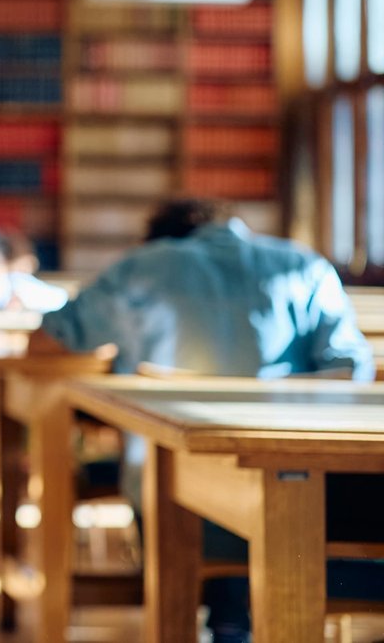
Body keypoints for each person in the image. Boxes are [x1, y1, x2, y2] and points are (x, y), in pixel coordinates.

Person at [31, 197, 377, 643]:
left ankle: (225, 616)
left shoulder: (142, 267)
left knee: (181, 480)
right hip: (314, 493)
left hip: (173, 493)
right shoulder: (304, 265)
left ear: (163, 238)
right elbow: (351, 369)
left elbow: (44, 341)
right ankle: (237, 616)